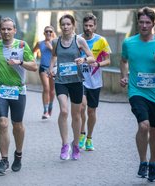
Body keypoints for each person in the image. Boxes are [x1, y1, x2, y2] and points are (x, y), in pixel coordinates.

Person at [119, 7, 155, 182]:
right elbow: (123, 60)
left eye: (147, 22)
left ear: (153, 23)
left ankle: (152, 163)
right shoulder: (129, 43)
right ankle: (143, 161)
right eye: (141, 22)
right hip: (136, 91)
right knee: (144, 126)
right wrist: (123, 76)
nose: (144, 25)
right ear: (137, 23)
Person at [0, 17, 37, 174]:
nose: (6, 31)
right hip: (0, 89)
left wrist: (20, 62)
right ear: (0, 31)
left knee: (17, 125)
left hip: (18, 90)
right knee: (3, 123)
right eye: (3, 29)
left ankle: (18, 154)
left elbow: (34, 66)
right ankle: (3, 160)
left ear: (14, 30)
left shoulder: (22, 45)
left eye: (9, 29)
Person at [48, 14, 95, 160]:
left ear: (73, 25)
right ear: (60, 26)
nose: (65, 27)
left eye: (68, 24)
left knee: (76, 115)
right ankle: (64, 145)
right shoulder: (56, 41)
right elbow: (54, 56)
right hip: (61, 80)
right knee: (63, 111)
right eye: (63, 24)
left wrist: (84, 59)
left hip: (76, 81)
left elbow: (92, 57)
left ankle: (75, 144)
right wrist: (51, 68)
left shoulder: (79, 40)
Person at [79, 13, 111, 151]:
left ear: (95, 26)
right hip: (80, 79)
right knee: (81, 106)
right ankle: (81, 133)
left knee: (91, 111)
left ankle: (89, 138)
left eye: (91, 26)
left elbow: (109, 60)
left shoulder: (101, 41)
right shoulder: (78, 39)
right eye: (86, 25)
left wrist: (98, 64)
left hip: (95, 81)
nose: (88, 28)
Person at [33, 26, 56, 119]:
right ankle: (45, 110)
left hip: (53, 69)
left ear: (53, 33)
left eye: (50, 31)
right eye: (46, 31)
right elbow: (33, 52)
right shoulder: (40, 43)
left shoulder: (56, 43)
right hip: (43, 68)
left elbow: (58, 54)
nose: (48, 33)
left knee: (52, 90)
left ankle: (50, 107)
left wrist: (51, 48)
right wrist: (33, 60)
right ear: (44, 33)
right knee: (46, 88)